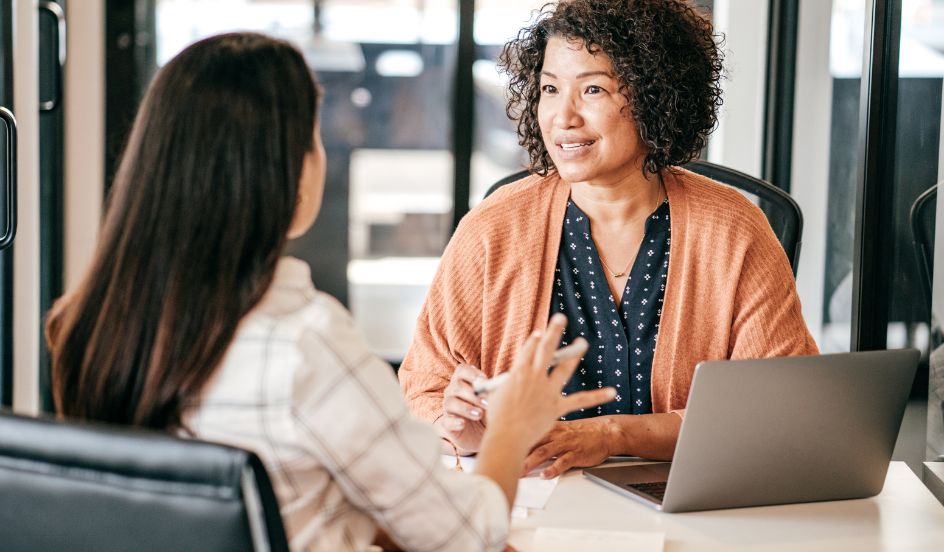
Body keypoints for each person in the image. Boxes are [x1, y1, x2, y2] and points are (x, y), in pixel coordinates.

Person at [45, 32, 614, 552]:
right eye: (315, 138)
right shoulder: (305, 343)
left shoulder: (88, 324)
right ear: (285, 173)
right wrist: (511, 429)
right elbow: (468, 536)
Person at [399, 0, 818, 479]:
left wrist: (613, 434)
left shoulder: (734, 229)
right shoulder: (493, 228)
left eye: (592, 89)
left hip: (687, 499)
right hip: (533, 497)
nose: (563, 117)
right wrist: (463, 428)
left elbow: (775, 409)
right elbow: (425, 390)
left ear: (656, 95)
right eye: (550, 89)